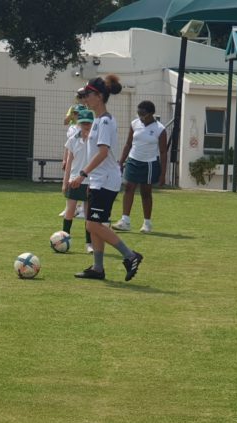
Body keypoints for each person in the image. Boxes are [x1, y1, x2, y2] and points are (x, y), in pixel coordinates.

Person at [69, 75, 143, 281]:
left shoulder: (105, 121)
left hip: (106, 180)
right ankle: (98, 268)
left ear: (99, 96)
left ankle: (130, 255)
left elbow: (102, 153)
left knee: (93, 225)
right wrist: (89, 179)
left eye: (89, 95)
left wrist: (82, 174)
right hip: (97, 180)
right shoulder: (98, 120)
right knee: (93, 224)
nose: (85, 99)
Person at [112, 100, 167, 233]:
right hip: (133, 160)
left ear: (151, 113)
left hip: (149, 163)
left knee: (145, 192)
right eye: (139, 113)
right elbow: (128, 144)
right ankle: (125, 221)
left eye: (143, 114)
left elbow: (163, 152)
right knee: (128, 188)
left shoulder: (160, 129)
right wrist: (121, 162)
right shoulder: (134, 124)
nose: (141, 117)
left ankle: (147, 223)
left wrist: (163, 174)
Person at [62, 109, 94, 253]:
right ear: (79, 124)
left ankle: (89, 243)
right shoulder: (73, 139)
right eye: (83, 123)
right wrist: (65, 181)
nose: (86, 125)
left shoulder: (96, 139)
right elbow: (69, 162)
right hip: (74, 179)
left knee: (89, 214)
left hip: (91, 180)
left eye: (89, 122)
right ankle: (63, 240)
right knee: (70, 211)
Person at [59, 103, 87, 219]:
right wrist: (65, 159)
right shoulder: (72, 128)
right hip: (73, 158)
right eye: (75, 113)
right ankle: (70, 208)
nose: (76, 115)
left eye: (78, 113)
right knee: (71, 182)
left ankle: (82, 209)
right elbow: (68, 145)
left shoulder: (87, 127)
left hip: (83, 160)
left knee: (84, 183)